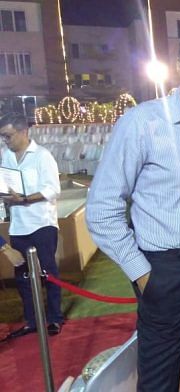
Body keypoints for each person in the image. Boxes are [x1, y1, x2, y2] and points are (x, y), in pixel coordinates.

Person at [85, 28, 180, 391]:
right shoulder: (142, 123)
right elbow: (102, 210)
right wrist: (142, 274)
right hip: (164, 271)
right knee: (158, 381)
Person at [0, 113, 62, 340]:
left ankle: (55, 318)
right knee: (23, 277)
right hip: (18, 226)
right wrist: (6, 196)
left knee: (48, 272)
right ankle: (32, 320)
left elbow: (53, 190)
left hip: (42, 223)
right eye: (3, 138)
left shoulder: (42, 156)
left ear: (24, 131)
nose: (5, 141)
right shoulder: (5, 156)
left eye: (8, 136)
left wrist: (25, 199)